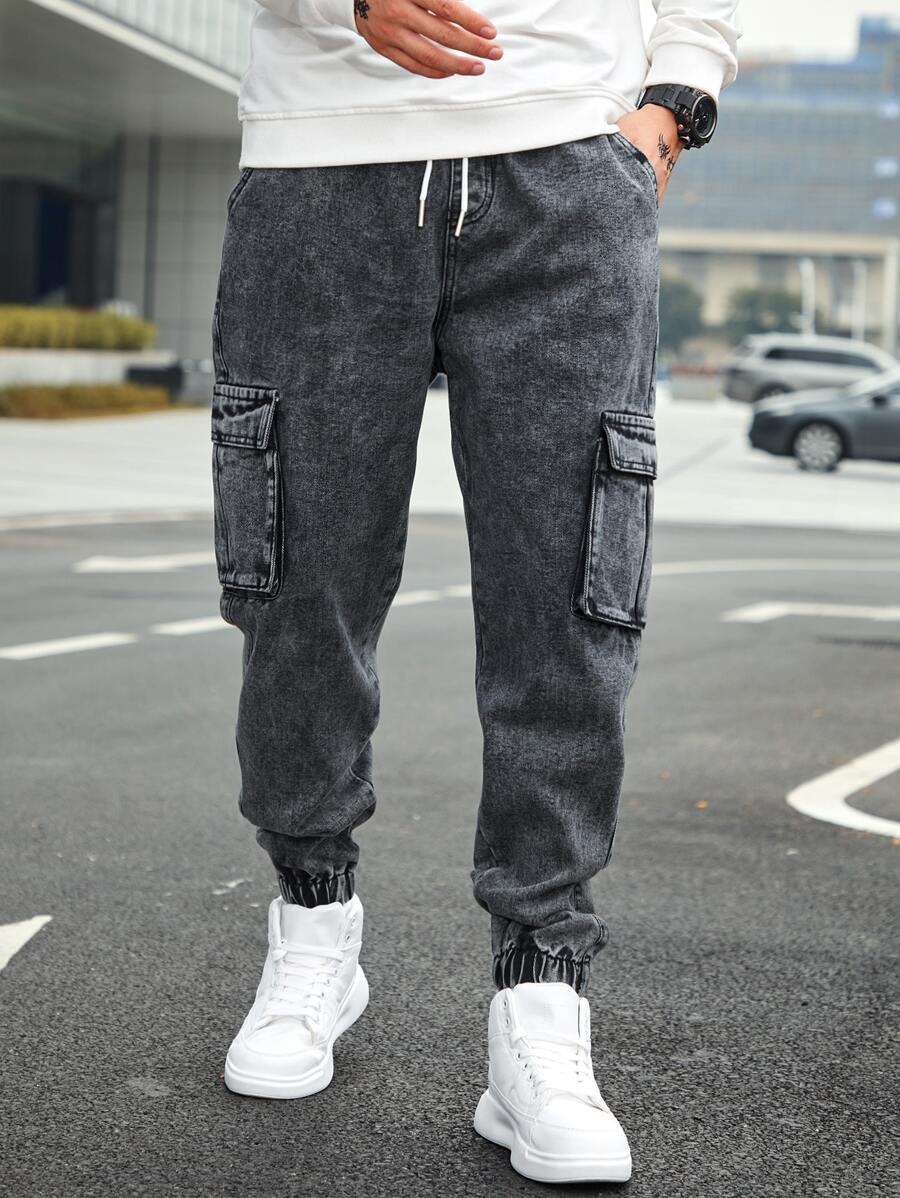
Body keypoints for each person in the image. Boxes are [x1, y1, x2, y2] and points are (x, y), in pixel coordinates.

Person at [212, 0, 739, 1183]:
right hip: (321, 164)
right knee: (299, 584)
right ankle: (312, 925)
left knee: (569, 603)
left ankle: (541, 999)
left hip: (567, 165)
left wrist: (676, 100)